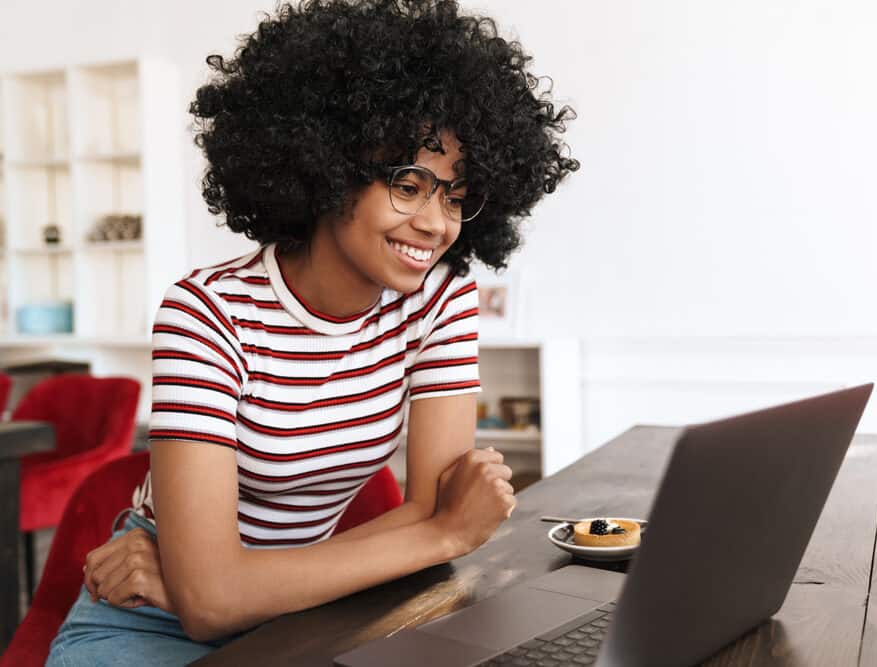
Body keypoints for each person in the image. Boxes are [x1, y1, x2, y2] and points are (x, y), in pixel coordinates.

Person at [45, 0, 577, 664]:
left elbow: (435, 510)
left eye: (455, 195)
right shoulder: (206, 314)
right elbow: (211, 605)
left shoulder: (440, 298)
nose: (436, 223)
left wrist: (233, 583)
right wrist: (442, 536)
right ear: (325, 166)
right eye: (408, 184)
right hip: (149, 619)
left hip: (306, 603)